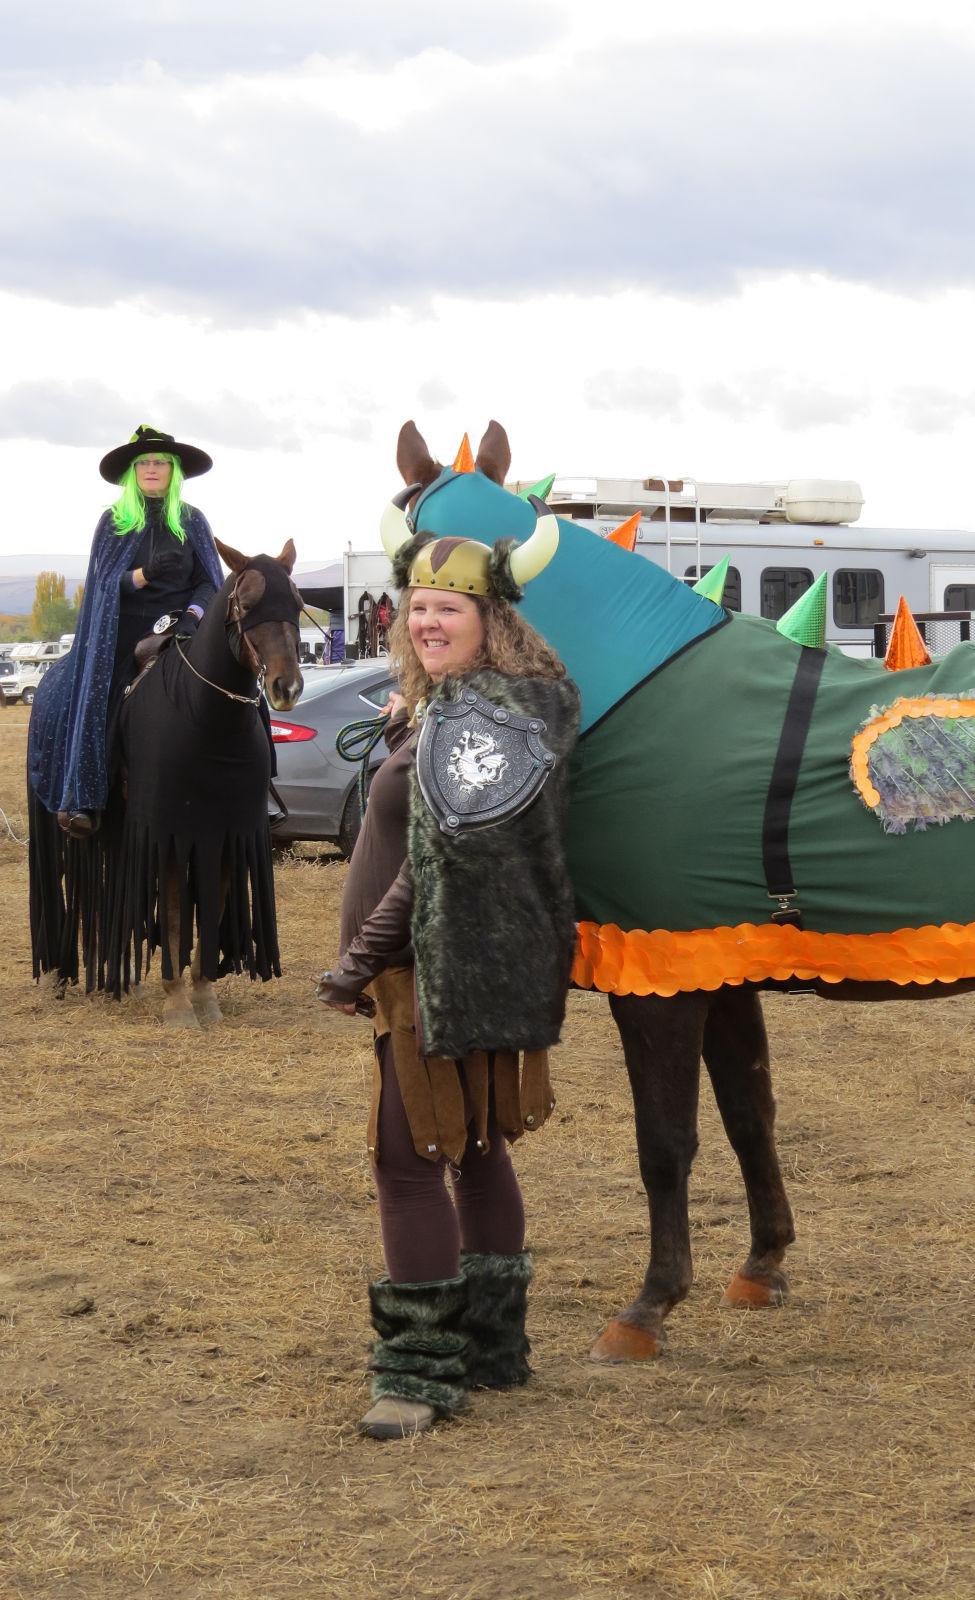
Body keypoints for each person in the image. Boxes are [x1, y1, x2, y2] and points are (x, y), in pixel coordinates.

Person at [316, 523, 578, 1440]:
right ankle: (494, 1350)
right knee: (469, 1149)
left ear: (490, 618)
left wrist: (356, 964)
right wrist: (411, 724)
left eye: (448, 610)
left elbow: (433, 864)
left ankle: (421, 1375)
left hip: (440, 967)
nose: (427, 623)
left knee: (409, 1159)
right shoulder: (478, 707)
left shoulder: (485, 717)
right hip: (470, 961)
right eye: (418, 608)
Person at [27, 424, 222, 837]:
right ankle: (84, 797)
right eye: (144, 463)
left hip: (181, 629)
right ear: (133, 471)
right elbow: (102, 584)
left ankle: (258, 790)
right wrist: (142, 575)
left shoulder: (193, 521)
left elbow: (210, 579)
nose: (152, 469)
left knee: (236, 689)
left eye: (160, 463)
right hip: (125, 631)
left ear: (173, 471)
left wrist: (192, 614)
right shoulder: (114, 523)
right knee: (102, 694)